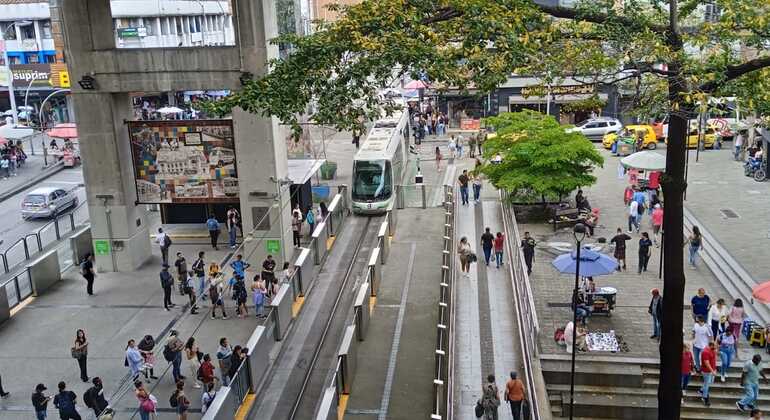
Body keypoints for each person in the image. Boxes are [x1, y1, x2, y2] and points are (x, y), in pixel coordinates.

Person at [700, 341, 717, 406]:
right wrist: (712, 371)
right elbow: (707, 363)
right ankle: (704, 397)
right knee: (707, 384)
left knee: (709, 382)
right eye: (715, 346)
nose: (716, 347)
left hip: (711, 370)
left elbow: (713, 360)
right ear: (711, 345)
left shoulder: (712, 350)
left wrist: (714, 369)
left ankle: (701, 390)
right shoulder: (705, 352)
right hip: (706, 371)